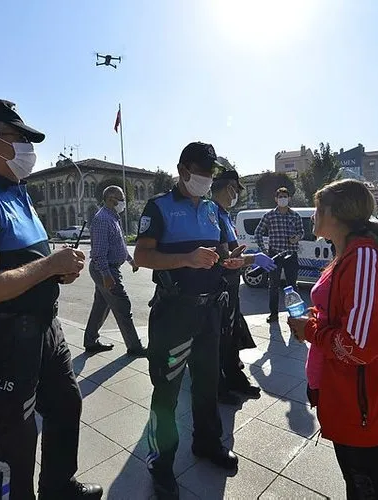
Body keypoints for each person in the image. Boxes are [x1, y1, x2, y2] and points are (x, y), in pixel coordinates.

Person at [0, 99, 102, 499]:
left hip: (45, 328)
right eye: (20, 138)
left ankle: (60, 488)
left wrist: (56, 268)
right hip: (5, 339)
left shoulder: (16, 191)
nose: (28, 147)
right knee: (14, 439)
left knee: (65, 407)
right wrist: (46, 268)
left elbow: (27, 261)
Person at [287, 179, 378, 499]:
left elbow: (359, 347)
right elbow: (341, 312)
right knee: (357, 483)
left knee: (366, 488)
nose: (312, 216)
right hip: (343, 392)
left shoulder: (364, 257)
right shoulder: (347, 254)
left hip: (360, 398)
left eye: (317, 209)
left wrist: (309, 331)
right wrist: (314, 319)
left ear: (335, 215)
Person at [135, 142, 244, 499]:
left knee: (207, 381)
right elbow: (142, 256)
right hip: (175, 314)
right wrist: (186, 258)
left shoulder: (214, 209)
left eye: (212, 172)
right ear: (183, 170)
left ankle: (207, 443)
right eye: (203, 171)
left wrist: (230, 260)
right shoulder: (160, 207)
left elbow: (220, 253)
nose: (208, 178)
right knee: (165, 391)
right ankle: (161, 464)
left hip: (209, 311)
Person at [210, 168, 275, 404]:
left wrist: (237, 256)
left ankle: (236, 380)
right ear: (229, 188)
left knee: (231, 335)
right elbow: (221, 257)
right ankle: (219, 387)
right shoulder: (211, 214)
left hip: (230, 285)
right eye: (236, 190)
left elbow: (228, 253)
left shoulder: (224, 214)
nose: (236, 195)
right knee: (218, 340)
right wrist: (253, 259)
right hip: (218, 287)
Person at [82, 185, 146, 357]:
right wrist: (106, 275)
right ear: (111, 199)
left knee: (101, 307)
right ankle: (135, 347)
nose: (124, 202)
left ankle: (90, 341)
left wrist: (131, 260)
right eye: (121, 198)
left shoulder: (113, 217)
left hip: (108, 268)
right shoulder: (103, 219)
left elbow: (118, 245)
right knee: (123, 306)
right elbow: (99, 252)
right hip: (105, 269)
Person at [254, 187, 304, 323]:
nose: (283, 199)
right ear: (276, 199)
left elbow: (302, 232)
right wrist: (264, 251)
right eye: (280, 197)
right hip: (274, 255)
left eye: (285, 196)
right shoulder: (269, 215)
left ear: (289, 198)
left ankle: (294, 315)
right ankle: (274, 314)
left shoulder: (295, 216)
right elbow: (258, 232)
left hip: (291, 255)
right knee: (273, 285)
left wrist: (297, 237)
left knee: (292, 285)